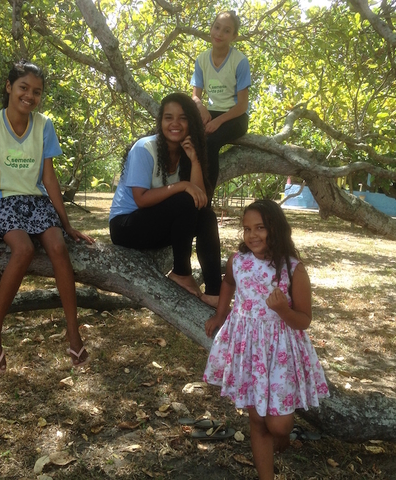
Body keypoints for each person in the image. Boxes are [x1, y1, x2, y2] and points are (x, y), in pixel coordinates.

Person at [0, 59, 94, 373]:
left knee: (59, 248)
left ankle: (73, 332)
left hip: (37, 202)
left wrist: (66, 224)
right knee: (23, 249)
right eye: (23, 87)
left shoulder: (44, 125)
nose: (29, 96)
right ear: (9, 87)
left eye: (36, 92)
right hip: (2, 200)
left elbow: (49, 178)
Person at [203, 199, 329, 480]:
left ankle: (282, 436)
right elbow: (228, 283)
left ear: (276, 228)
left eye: (260, 227)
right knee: (258, 420)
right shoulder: (238, 261)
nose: (252, 235)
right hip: (248, 347)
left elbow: (304, 319)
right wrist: (220, 314)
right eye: (247, 228)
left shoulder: (293, 269)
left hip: (280, 350)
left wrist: (283, 310)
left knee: (279, 425)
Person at [109, 92, 222, 307]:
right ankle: (181, 272)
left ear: (191, 122)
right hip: (126, 227)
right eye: (168, 117)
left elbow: (199, 200)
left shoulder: (185, 151)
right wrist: (182, 185)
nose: (175, 124)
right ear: (160, 122)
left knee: (206, 216)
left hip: (156, 227)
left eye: (183, 118)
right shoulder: (145, 148)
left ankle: (215, 292)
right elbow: (141, 200)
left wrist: (194, 160)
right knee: (184, 199)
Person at [191, 10, 250, 200]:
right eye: (217, 27)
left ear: (234, 36)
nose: (219, 34)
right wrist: (201, 107)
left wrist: (218, 122)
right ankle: (187, 192)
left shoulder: (240, 61)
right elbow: (195, 96)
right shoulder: (201, 60)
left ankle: (206, 198)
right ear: (211, 28)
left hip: (235, 117)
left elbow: (242, 105)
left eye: (226, 31)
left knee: (210, 142)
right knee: (187, 138)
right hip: (211, 113)